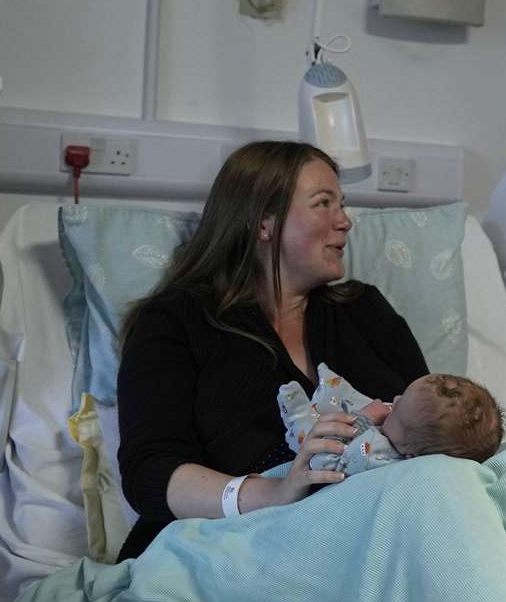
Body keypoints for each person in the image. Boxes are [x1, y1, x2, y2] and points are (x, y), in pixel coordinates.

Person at [116, 141, 429, 559]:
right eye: (324, 204)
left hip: (380, 537)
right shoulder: (177, 321)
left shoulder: (364, 312)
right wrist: (278, 491)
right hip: (233, 551)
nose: (345, 222)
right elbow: (150, 474)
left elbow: (435, 418)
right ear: (264, 222)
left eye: (342, 204)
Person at [277, 364, 503, 473]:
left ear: (410, 453)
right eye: (402, 395)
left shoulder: (379, 459)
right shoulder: (409, 439)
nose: (393, 400)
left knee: (312, 442)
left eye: (398, 408)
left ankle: (297, 416)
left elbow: (331, 459)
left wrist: (363, 419)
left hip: (318, 456)